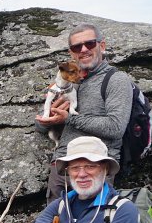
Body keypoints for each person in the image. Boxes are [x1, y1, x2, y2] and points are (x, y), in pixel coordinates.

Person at [35, 23, 135, 197]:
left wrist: (68, 118)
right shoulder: (65, 81)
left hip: (96, 168)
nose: (83, 49)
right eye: (76, 47)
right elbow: (40, 126)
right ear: (71, 53)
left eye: (89, 44)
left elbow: (116, 127)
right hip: (62, 169)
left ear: (101, 46)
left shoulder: (116, 80)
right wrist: (49, 115)